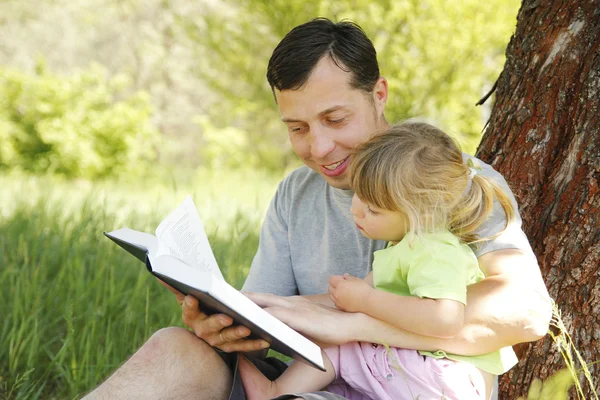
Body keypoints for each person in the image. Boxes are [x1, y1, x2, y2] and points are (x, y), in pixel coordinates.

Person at [83, 18, 550, 400]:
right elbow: (271, 322)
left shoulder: (448, 182)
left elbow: (525, 312)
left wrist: (355, 324)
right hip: (305, 382)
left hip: (409, 389)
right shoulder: (296, 193)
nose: (320, 147)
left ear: (379, 94)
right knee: (173, 349)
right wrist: (224, 322)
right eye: (298, 128)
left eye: (335, 119)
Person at [238, 121, 518, 400]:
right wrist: (277, 305)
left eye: (372, 208)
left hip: (447, 378)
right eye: (358, 193)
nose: (356, 210)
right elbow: (352, 301)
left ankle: (275, 391)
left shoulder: (436, 251)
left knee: (342, 343)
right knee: (339, 337)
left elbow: (445, 319)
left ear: (421, 213)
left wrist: (364, 301)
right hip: (425, 371)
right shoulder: (405, 247)